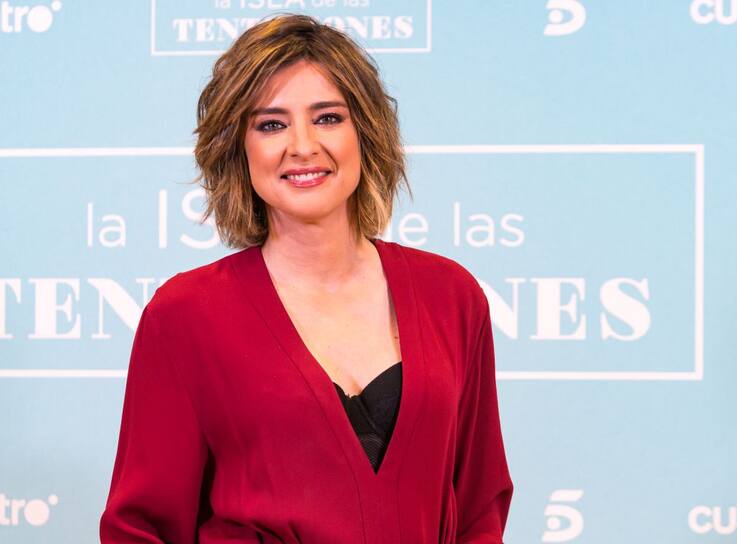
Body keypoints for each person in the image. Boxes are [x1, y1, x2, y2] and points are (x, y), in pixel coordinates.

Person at [100, 14, 513, 543]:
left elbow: (479, 507)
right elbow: (139, 528)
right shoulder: (185, 314)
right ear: (239, 147)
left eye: (328, 118)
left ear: (365, 131)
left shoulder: (451, 296)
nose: (302, 145)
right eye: (271, 124)